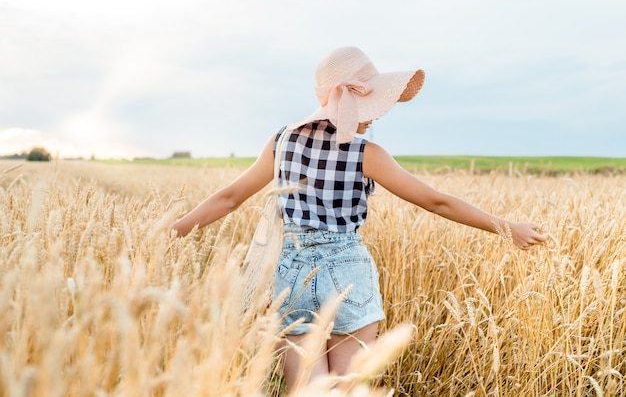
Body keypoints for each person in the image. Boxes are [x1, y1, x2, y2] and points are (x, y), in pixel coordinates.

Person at [171, 46, 548, 392]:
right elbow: (437, 203)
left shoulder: (281, 141)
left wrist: (172, 232)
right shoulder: (367, 152)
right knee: (349, 387)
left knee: (308, 389)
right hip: (348, 271)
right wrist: (506, 227)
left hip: (292, 274)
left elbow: (229, 197)